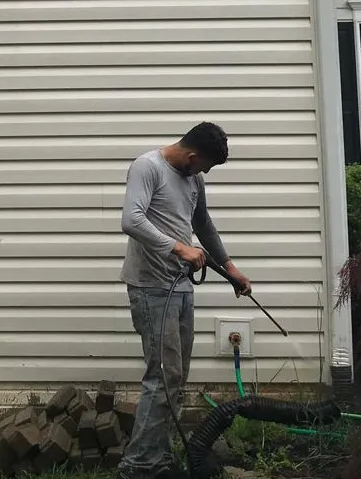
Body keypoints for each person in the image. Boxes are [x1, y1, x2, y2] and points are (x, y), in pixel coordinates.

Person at [117, 122, 251, 479]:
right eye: (204, 165)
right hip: (150, 287)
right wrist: (179, 247)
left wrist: (230, 268)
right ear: (192, 155)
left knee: (176, 377)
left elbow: (203, 224)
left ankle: (157, 458)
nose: (203, 173)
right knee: (162, 378)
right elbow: (131, 220)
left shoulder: (193, 178)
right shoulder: (148, 167)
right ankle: (138, 467)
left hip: (180, 287)